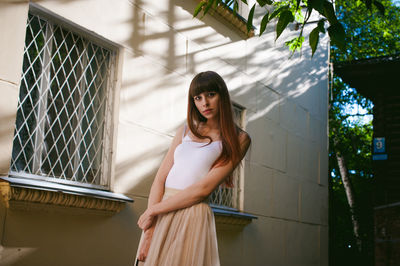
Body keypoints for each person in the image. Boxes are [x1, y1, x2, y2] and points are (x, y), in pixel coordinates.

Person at [135, 71, 251, 266]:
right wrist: (150, 229)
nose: (204, 103)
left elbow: (203, 189)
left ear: (222, 95)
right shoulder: (185, 130)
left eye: (210, 95)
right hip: (161, 213)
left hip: (191, 213)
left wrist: (152, 212)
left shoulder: (239, 139)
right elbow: (160, 179)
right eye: (198, 98)